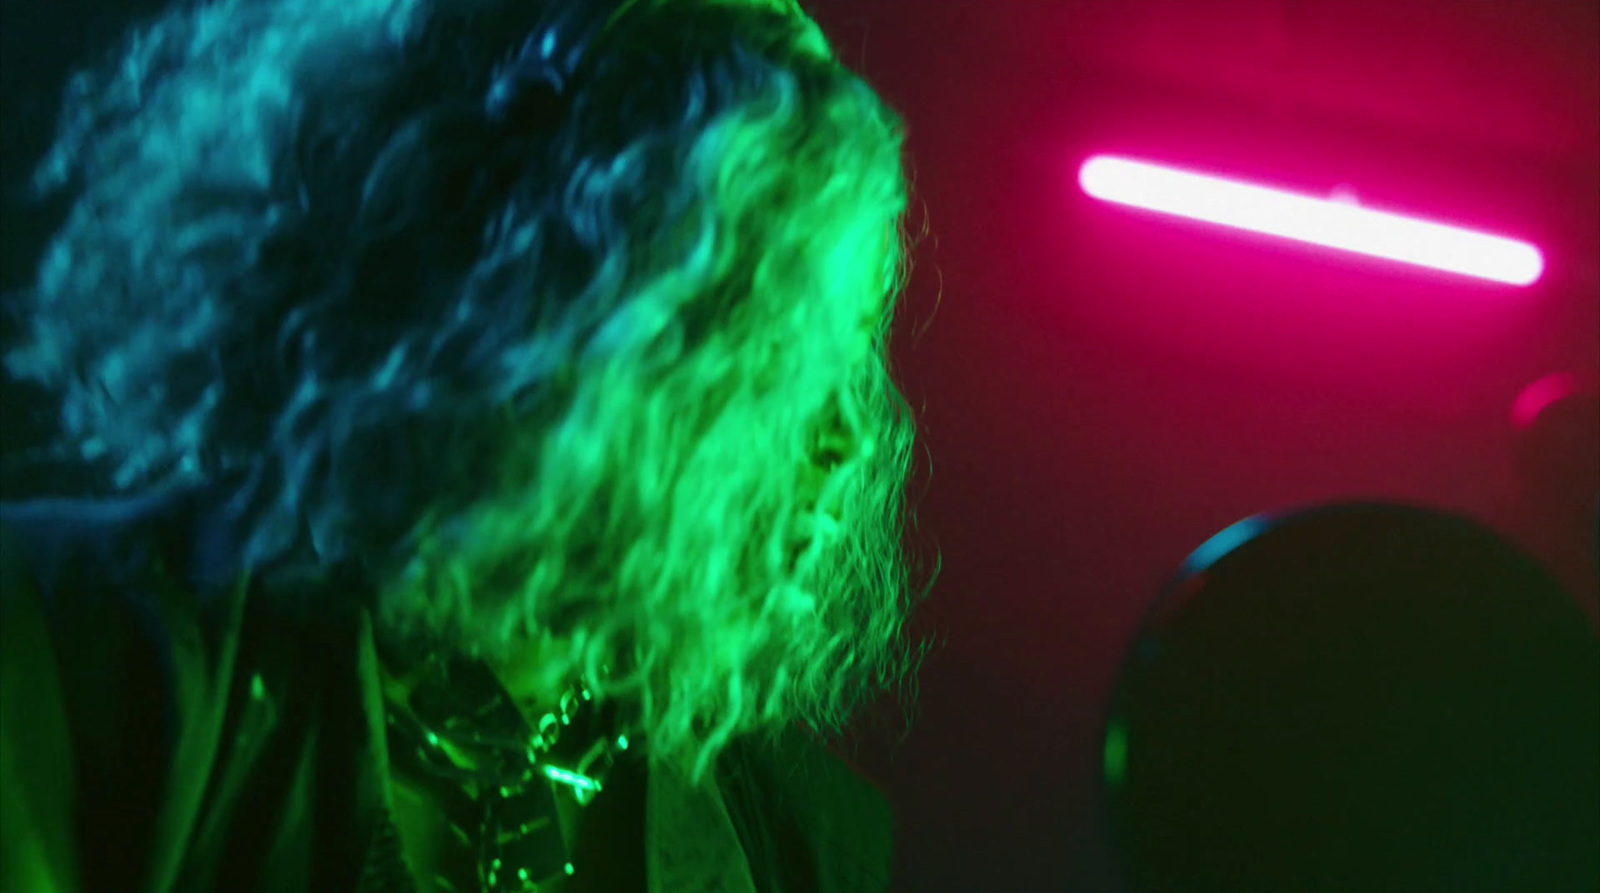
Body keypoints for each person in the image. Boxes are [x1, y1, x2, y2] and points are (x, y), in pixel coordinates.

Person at [0, 0, 935, 890]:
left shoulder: (796, 833)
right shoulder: (79, 649)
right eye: (775, 353)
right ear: (542, 309)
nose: (848, 438)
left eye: (850, 363)